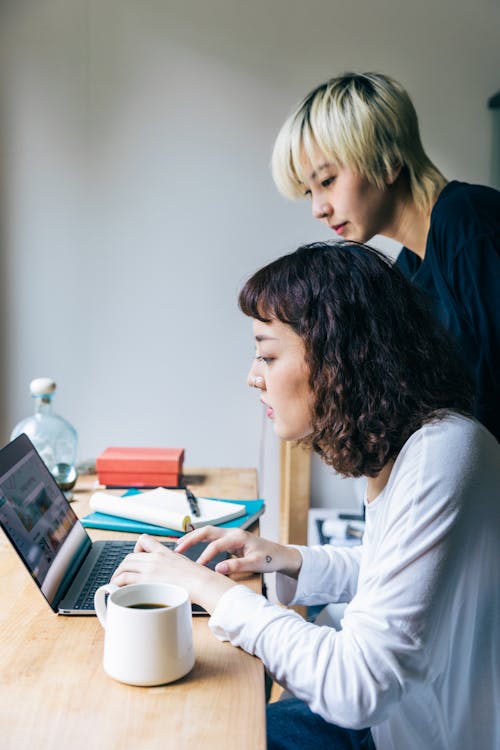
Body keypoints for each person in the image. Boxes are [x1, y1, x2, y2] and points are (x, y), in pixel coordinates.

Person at [112, 241, 500, 750]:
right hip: (394, 721)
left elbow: (358, 687)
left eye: (268, 354)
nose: (253, 376)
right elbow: (403, 578)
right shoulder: (419, 445)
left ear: (341, 355)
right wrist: (285, 558)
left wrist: (207, 589)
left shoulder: (442, 453)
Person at [271, 72, 500, 441]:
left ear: (389, 160)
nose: (318, 208)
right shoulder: (407, 273)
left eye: (327, 181)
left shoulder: (468, 222)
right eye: (308, 191)